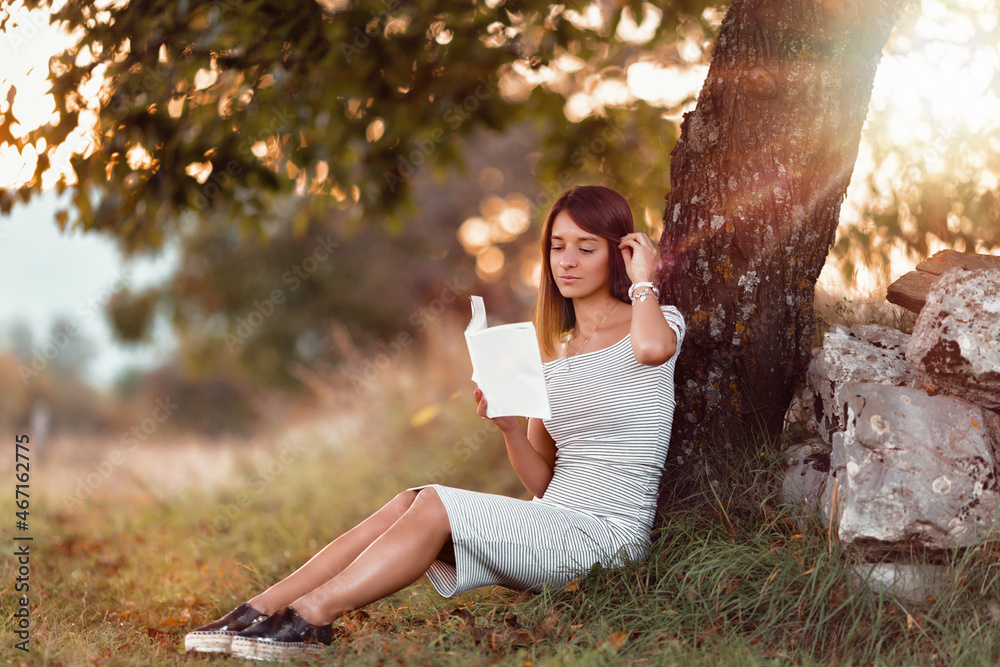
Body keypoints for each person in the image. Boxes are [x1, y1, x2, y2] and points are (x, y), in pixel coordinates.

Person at [183, 185, 685, 662]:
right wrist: (510, 429)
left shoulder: (657, 321)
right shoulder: (550, 352)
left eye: (586, 247)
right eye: (557, 247)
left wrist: (644, 279)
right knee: (411, 499)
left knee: (437, 501)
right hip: (554, 522)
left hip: (608, 537)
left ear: (619, 252)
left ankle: (312, 617)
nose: (567, 262)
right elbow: (543, 483)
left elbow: (652, 351)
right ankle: (259, 609)